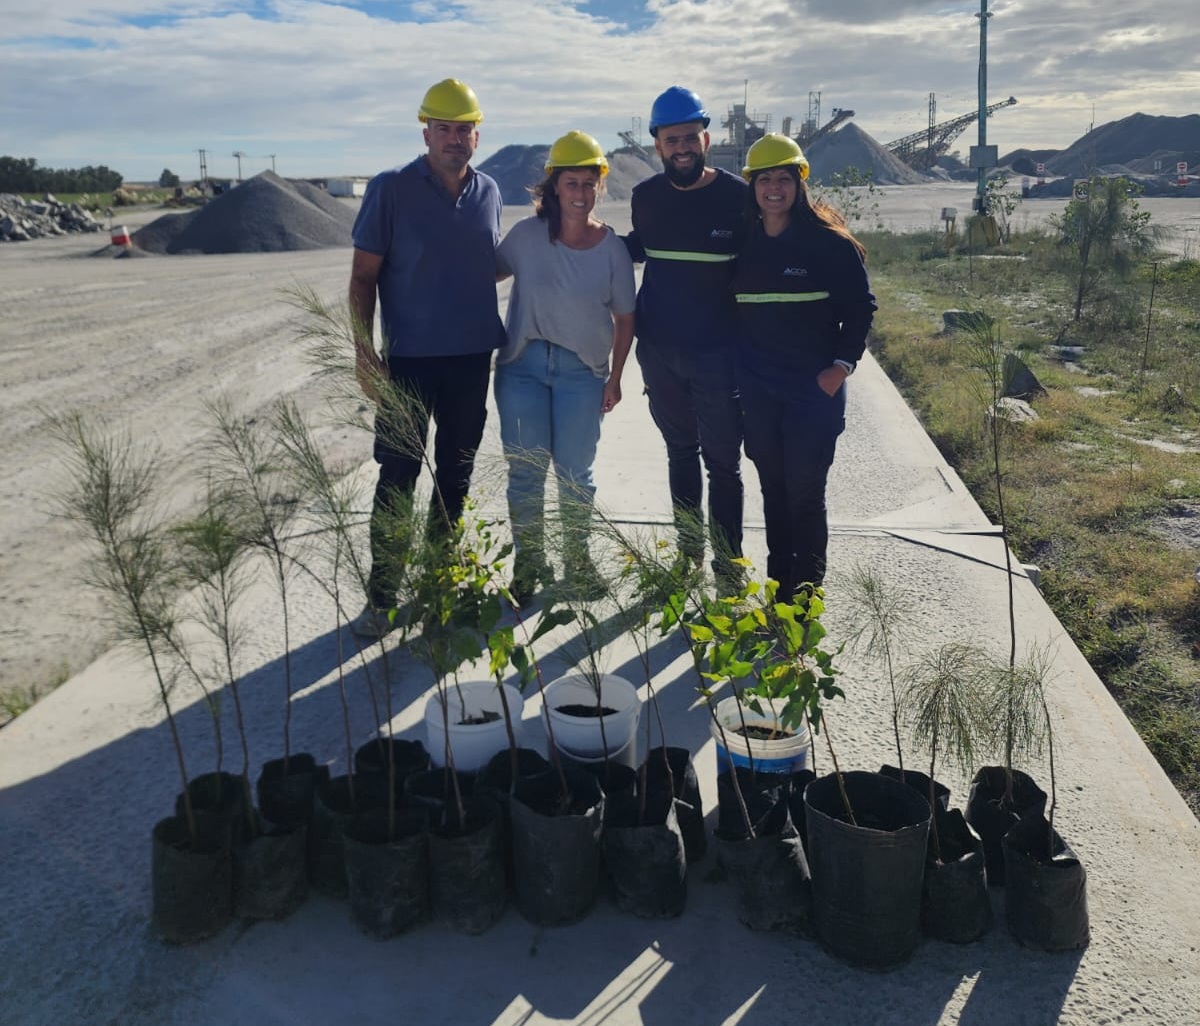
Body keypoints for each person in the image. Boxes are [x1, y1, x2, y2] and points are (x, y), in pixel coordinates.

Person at [348, 78, 506, 637]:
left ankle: (439, 584)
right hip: (409, 363)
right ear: (426, 133)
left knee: (455, 478)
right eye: (444, 129)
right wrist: (364, 354)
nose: (454, 139)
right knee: (397, 476)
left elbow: (486, 263)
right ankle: (382, 598)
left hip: (471, 361)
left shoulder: (489, 191)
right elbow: (363, 278)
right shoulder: (391, 189)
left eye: (464, 130)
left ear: (476, 136)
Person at [494, 131, 636, 605]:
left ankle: (577, 561)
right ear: (554, 186)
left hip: (582, 374)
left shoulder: (612, 249)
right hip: (522, 369)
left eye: (588, 183)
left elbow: (626, 318)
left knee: (576, 474)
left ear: (600, 186)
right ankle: (529, 564)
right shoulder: (525, 236)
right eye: (571, 183)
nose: (580, 193)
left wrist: (615, 378)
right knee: (526, 473)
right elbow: (482, 273)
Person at [732, 133, 877, 597]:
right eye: (764, 180)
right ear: (752, 186)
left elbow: (861, 309)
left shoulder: (829, 244)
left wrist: (840, 368)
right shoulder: (743, 244)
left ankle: (807, 597)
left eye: (784, 178)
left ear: (799, 183)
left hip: (812, 393)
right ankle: (780, 589)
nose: (774, 188)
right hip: (759, 393)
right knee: (774, 493)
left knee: (805, 494)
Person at [624, 86, 749, 588]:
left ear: (706, 140)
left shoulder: (738, 197)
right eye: (672, 139)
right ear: (657, 144)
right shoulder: (645, 198)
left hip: (719, 356)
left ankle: (729, 566)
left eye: (690, 138)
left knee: (724, 464)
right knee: (680, 452)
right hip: (659, 353)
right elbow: (636, 248)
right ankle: (688, 554)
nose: (682, 148)